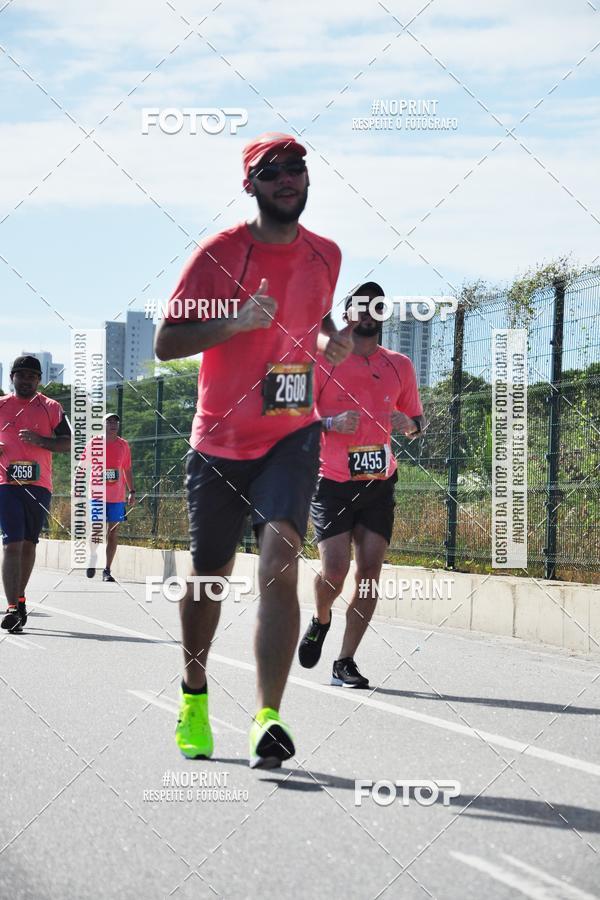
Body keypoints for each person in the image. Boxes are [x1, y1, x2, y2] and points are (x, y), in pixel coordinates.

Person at [154, 132, 352, 767]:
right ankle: (193, 691)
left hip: (293, 432)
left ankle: (268, 716)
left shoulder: (327, 256)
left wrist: (330, 348)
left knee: (280, 560)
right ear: (251, 185)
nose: (287, 179)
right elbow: (165, 342)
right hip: (220, 439)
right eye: (272, 171)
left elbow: (312, 326)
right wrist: (235, 322)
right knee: (209, 577)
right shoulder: (220, 254)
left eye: (296, 168)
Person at [298, 283, 426, 687]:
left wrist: (411, 426)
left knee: (369, 573)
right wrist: (331, 423)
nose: (368, 313)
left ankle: (345, 661)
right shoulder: (323, 361)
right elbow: (292, 418)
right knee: (334, 572)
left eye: (376, 306)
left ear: (383, 314)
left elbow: (417, 421)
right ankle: (321, 619)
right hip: (332, 480)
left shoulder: (399, 365)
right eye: (359, 306)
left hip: (379, 482)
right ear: (349, 313)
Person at [0, 356, 71, 633]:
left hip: (39, 485)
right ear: (12, 377)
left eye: (32, 376)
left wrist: (42, 441)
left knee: (29, 544)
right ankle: (10, 608)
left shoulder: (51, 407)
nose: (26, 380)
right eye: (21, 375)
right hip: (5, 484)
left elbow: (67, 442)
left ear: (39, 380)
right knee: (11, 543)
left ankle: (19, 599)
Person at [83, 413, 136, 582]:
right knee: (97, 530)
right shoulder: (94, 443)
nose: (113, 424)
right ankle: (92, 556)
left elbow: (127, 469)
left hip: (117, 497)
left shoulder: (123, 445)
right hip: (97, 495)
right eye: (109, 421)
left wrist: (132, 491)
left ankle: (107, 570)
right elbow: (82, 466)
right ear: (103, 424)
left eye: (115, 422)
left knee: (113, 533)